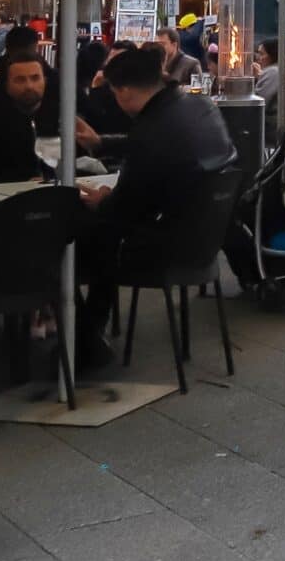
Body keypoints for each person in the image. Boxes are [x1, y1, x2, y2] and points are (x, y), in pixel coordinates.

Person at [73, 46, 237, 360]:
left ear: (122, 91)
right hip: (207, 239)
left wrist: (104, 201)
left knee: (80, 241)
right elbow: (155, 150)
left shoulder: (151, 130)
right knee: (101, 235)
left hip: (167, 246)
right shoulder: (200, 105)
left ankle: (85, 340)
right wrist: (102, 142)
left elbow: (126, 208)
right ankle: (89, 333)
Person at [0, 53, 64, 183]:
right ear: (7, 85)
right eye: (20, 80)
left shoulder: (59, 108)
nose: (29, 86)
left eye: (35, 78)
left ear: (45, 80)